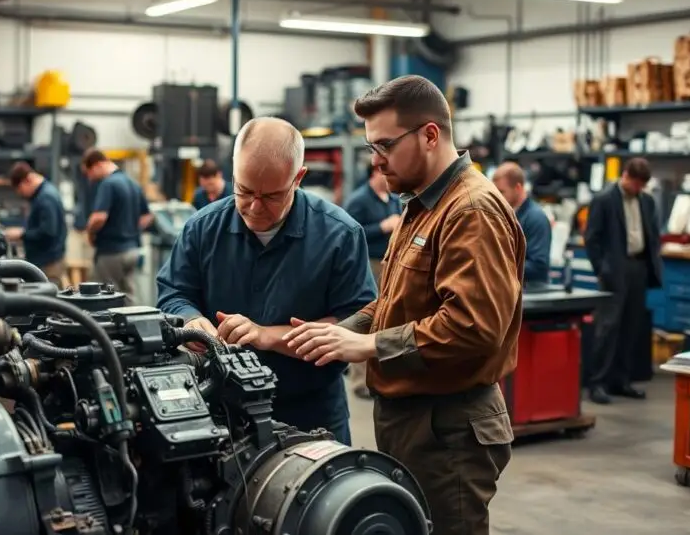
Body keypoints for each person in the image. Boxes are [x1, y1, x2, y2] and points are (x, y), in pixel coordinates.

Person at [284, 75, 525, 535]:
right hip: (416, 420)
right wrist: (341, 332)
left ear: (430, 135)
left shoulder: (470, 210)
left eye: (385, 146)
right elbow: (394, 303)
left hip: (448, 428)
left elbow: (473, 327)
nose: (377, 162)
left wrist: (370, 346)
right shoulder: (422, 205)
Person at [156, 117, 376, 445]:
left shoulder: (339, 235)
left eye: (271, 196)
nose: (255, 207)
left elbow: (357, 323)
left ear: (298, 178)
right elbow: (174, 292)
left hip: (309, 414)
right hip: (220, 410)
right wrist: (191, 321)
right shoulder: (202, 228)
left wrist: (267, 336)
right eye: (244, 191)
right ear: (233, 172)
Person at [584, 157, 662, 405]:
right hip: (614, 271)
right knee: (608, 328)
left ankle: (621, 380)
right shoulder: (604, 200)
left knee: (631, 327)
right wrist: (602, 269)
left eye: (642, 186)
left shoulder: (647, 201)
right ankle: (597, 383)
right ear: (625, 175)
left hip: (638, 267)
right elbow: (591, 238)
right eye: (636, 184)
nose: (638, 189)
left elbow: (653, 234)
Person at [342, 165, 402, 398]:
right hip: (371, 262)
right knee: (366, 318)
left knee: (388, 319)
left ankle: (382, 376)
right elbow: (349, 232)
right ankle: (360, 382)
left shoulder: (393, 199)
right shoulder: (359, 200)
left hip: (390, 264)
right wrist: (382, 227)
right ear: (374, 174)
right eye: (383, 172)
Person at [82, 149, 154, 301]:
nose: (89, 178)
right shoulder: (133, 183)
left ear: (97, 165)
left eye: (89, 172)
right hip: (133, 250)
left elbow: (99, 217)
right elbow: (147, 217)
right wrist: (131, 230)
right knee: (128, 297)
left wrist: (90, 233)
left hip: (111, 252)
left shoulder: (108, 184)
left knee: (103, 298)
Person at [5, 162, 67, 286]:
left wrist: (21, 234)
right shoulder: (44, 194)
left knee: (48, 302)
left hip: (48, 265)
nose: (21, 194)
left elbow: (48, 231)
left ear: (27, 180)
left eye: (20, 189)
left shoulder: (46, 198)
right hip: (47, 261)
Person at [492, 162, 552, 289]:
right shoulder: (508, 215)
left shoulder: (535, 218)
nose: (497, 198)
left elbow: (538, 266)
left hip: (532, 292)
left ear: (518, 188)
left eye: (502, 192)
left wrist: (497, 266)